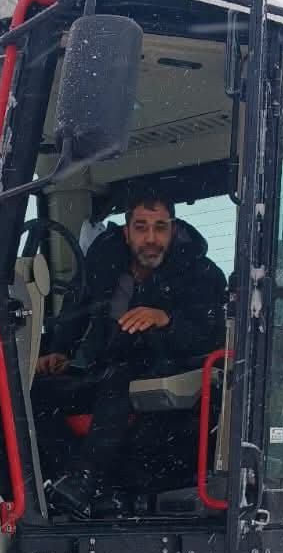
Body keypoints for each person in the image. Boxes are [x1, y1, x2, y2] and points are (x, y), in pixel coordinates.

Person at [32, 188, 227, 517]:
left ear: (174, 229)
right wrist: (60, 352)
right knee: (35, 393)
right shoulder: (103, 264)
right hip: (103, 369)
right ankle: (56, 482)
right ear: (126, 231)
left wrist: (166, 322)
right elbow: (76, 311)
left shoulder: (202, 275)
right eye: (141, 227)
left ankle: (85, 480)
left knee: (120, 377)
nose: (151, 238)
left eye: (160, 227)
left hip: (168, 377)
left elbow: (210, 335)